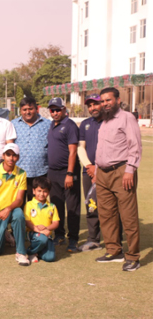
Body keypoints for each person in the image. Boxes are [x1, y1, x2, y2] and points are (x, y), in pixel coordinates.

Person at [94, 87, 142, 272]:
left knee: (128, 216)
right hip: (103, 174)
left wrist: (130, 170)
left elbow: (135, 146)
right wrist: (97, 170)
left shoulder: (126, 118)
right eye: (103, 101)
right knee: (106, 215)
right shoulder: (104, 121)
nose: (105, 103)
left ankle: (133, 256)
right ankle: (114, 251)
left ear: (118, 100)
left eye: (108, 100)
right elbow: (101, 149)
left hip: (122, 172)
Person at [46, 97, 81, 252]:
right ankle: (59, 235)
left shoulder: (70, 125)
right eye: (52, 110)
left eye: (57, 109)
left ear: (64, 110)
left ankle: (73, 239)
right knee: (57, 206)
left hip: (67, 172)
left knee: (72, 208)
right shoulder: (52, 125)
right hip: (53, 172)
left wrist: (69, 173)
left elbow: (73, 151)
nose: (55, 113)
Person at [77, 94, 105, 252]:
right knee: (91, 205)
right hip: (88, 171)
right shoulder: (85, 124)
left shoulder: (110, 122)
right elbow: (81, 148)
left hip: (107, 171)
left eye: (96, 104)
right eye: (90, 105)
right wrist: (89, 166)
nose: (93, 108)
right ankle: (93, 239)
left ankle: (113, 239)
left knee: (110, 206)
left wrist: (98, 169)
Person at [11, 97, 51, 203]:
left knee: (37, 205)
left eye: (30, 109)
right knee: (18, 203)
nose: (27, 112)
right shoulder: (13, 124)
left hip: (40, 171)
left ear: (36, 108)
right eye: (24, 110)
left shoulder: (47, 124)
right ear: (20, 110)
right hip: (19, 171)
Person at [24, 176, 59, 263]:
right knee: (42, 239)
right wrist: (38, 230)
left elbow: (56, 223)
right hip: (33, 232)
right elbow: (27, 221)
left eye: (45, 191)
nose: (42, 194)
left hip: (47, 234)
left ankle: (38, 252)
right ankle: (29, 252)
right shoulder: (29, 205)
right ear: (33, 191)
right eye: (39, 191)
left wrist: (46, 229)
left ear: (48, 192)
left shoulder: (52, 206)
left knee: (50, 258)